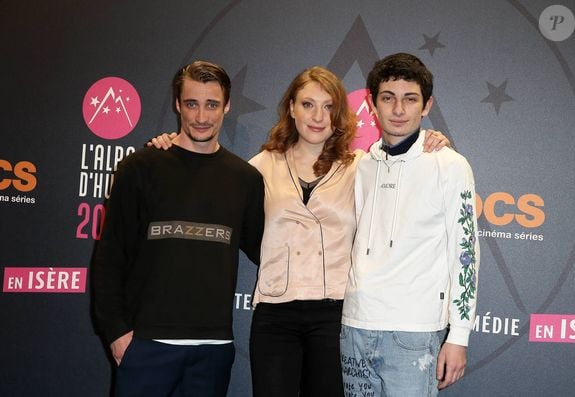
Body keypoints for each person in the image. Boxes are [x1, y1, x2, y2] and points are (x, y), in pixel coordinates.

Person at [150, 65, 449, 397]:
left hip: (335, 314)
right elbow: (214, 188)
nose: (317, 116)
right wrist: (171, 146)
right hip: (275, 316)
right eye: (307, 104)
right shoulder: (259, 166)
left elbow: (405, 165)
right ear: (291, 108)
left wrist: (428, 142)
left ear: (339, 114)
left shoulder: (361, 166)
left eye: (328, 106)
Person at [91, 60, 265, 397]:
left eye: (212, 104)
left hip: (214, 350)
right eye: (192, 104)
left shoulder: (246, 179)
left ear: (227, 106)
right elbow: (109, 258)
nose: (201, 116)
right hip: (146, 345)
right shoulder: (140, 167)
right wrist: (117, 333)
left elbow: (263, 249)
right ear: (177, 104)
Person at [340, 53, 480, 396]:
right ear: (372, 104)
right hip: (354, 326)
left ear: (427, 105)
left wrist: (459, 337)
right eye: (388, 98)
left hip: (414, 332)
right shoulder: (359, 166)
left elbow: (465, 255)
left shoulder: (449, 166)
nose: (398, 109)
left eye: (410, 99)